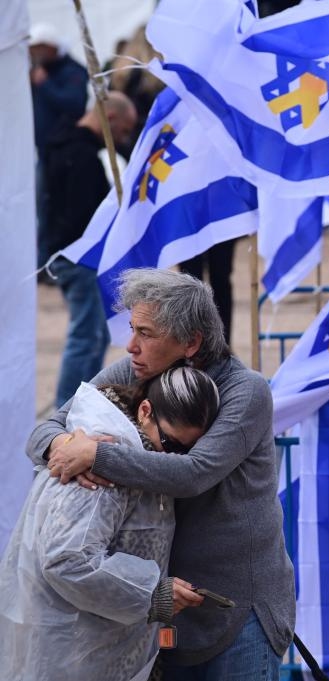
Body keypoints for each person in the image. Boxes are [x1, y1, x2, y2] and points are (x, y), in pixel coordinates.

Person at [31, 268, 296, 680]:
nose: (131, 346)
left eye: (146, 334)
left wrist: (96, 456)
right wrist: (62, 447)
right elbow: (43, 431)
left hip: (240, 612)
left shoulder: (246, 390)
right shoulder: (135, 370)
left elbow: (193, 472)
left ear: (191, 343)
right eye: (131, 329)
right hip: (159, 608)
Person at [0, 366, 220, 681]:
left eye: (187, 453)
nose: (172, 459)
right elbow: (66, 559)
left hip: (95, 654)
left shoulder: (135, 447)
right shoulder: (104, 456)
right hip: (67, 658)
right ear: (145, 411)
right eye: (172, 446)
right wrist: (152, 593)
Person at [43, 91, 138, 409]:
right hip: (79, 256)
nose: (124, 139)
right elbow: (83, 213)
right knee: (86, 336)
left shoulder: (64, 143)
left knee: (95, 334)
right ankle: (66, 407)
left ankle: (79, 404)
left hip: (74, 255)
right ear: (109, 119)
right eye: (123, 130)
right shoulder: (80, 154)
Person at [29, 23, 89, 272]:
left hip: (66, 155)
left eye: (39, 48)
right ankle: (44, 263)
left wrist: (45, 86)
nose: (34, 53)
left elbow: (75, 104)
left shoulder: (71, 71)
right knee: (43, 206)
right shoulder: (37, 72)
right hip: (43, 152)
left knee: (60, 207)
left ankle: (58, 262)